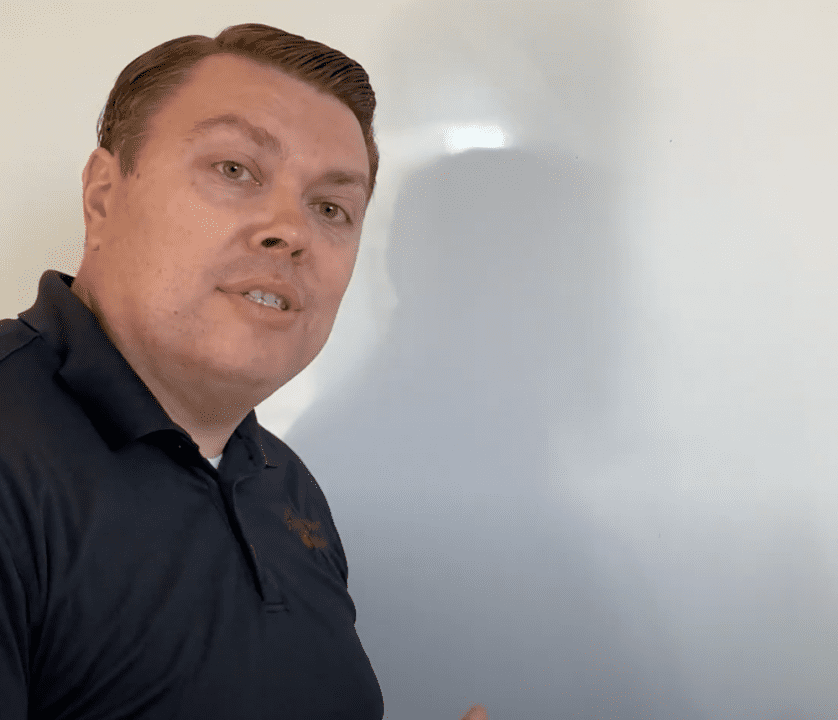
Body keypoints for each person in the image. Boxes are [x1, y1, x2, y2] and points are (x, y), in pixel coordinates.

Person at [0, 23, 487, 720]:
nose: (290, 230)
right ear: (103, 195)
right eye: (235, 170)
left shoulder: (285, 484)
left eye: (330, 208)